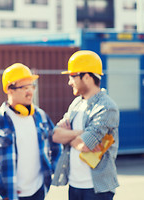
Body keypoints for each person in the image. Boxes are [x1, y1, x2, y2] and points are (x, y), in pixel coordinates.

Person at [0, 63, 61, 200]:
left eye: (32, 86)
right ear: (9, 90)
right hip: (10, 195)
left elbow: (56, 145)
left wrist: (52, 169)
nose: (30, 92)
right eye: (24, 88)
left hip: (39, 191)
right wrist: (3, 192)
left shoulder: (41, 117)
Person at [51, 50, 119, 200]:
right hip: (75, 186)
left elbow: (85, 146)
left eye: (72, 76)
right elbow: (55, 135)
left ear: (87, 77)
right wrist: (79, 133)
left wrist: (69, 136)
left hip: (97, 189)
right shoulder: (76, 104)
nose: (69, 82)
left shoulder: (107, 107)